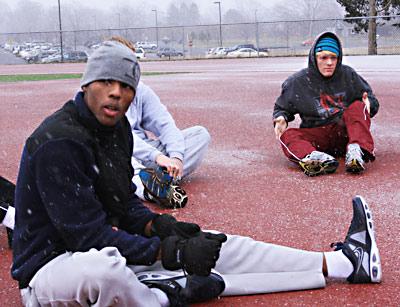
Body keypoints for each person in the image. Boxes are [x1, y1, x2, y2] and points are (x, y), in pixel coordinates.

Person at [12, 40, 381, 307]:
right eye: (106, 82)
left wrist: (165, 229)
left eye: (126, 86)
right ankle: (162, 295)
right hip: (50, 271)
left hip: (107, 252)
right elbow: (86, 237)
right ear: (86, 84)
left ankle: (342, 262)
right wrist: (170, 252)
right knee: (103, 271)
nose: (116, 93)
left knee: (213, 242)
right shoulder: (57, 142)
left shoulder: (117, 130)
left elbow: (124, 206)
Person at [112, 36, 211, 208]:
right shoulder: (97, 92)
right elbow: (118, 136)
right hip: (115, 151)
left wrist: (176, 157)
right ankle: (145, 187)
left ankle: (159, 178)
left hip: (146, 151)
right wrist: (156, 156)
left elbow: (165, 125)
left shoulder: (140, 90)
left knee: (200, 135)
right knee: (114, 151)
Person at [273, 31, 379, 176]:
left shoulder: (348, 75)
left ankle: (357, 151)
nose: (329, 63)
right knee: (288, 135)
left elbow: (370, 99)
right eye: (324, 57)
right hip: (317, 137)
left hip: (345, 133)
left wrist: (368, 106)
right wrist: (281, 117)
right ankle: (313, 158)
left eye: (333, 58)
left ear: (339, 58)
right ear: (314, 58)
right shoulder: (297, 82)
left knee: (357, 106)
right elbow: (282, 107)